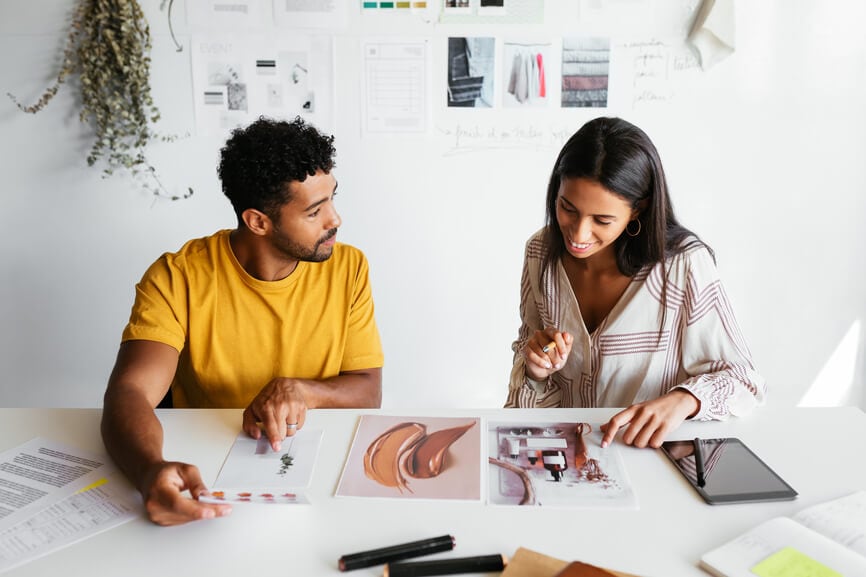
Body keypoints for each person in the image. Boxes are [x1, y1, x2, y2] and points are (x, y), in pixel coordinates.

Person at [101, 117, 384, 526]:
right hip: (204, 476)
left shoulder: (349, 268)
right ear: (258, 222)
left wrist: (301, 391)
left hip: (314, 477)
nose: (335, 219)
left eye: (333, 200)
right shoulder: (177, 276)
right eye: (315, 211)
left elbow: (368, 389)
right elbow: (129, 392)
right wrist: (149, 470)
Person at [504, 116, 765, 449]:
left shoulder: (682, 265)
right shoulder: (541, 253)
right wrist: (536, 370)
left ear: (638, 210)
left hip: (653, 463)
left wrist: (683, 401)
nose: (579, 233)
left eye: (602, 220)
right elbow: (525, 391)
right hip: (569, 461)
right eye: (567, 208)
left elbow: (744, 380)